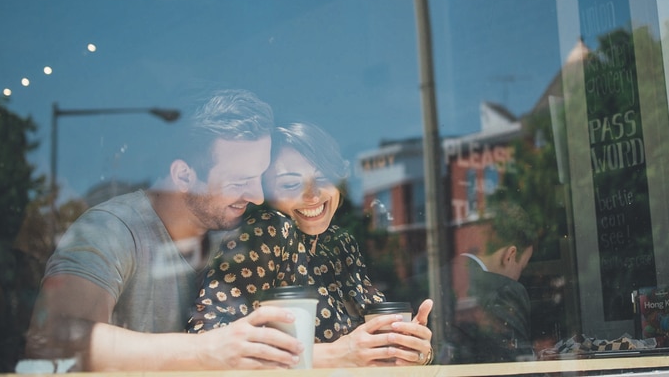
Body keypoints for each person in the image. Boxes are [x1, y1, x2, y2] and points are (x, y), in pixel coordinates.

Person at [23, 89, 306, 371]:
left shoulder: (240, 236)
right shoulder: (111, 230)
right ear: (183, 176)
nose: (257, 196)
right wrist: (207, 350)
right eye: (239, 180)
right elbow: (51, 339)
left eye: (259, 176)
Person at [189, 121, 435, 367]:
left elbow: (378, 330)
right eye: (290, 184)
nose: (313, 195)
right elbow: (207, 338)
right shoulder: (268, 229)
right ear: (266, 192)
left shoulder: (340, 244)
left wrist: (413, 347)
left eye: (323, 178)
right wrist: (339, 355)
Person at [449, 201, 538, 363]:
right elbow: (518, 365)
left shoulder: (435, 278)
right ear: (510, 255)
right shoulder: (506, 290)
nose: (519, 275)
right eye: (522, 267)